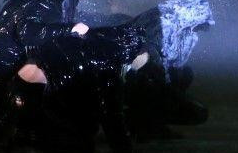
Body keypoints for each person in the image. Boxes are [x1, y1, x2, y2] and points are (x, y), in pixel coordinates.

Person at [9, 24, 149, 152]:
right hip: (70, 124)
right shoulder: (109, 61)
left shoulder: (59, 48)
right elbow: (112, 117)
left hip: (58, 120)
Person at [125, 0, 213, 138]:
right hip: (136, 79)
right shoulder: (163, 24)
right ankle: (140, 124)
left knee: (183, 74)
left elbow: (170, 64)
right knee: (196, 112)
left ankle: (151, 123)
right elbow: (152, 63)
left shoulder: (178, 25)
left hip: (146, 77)